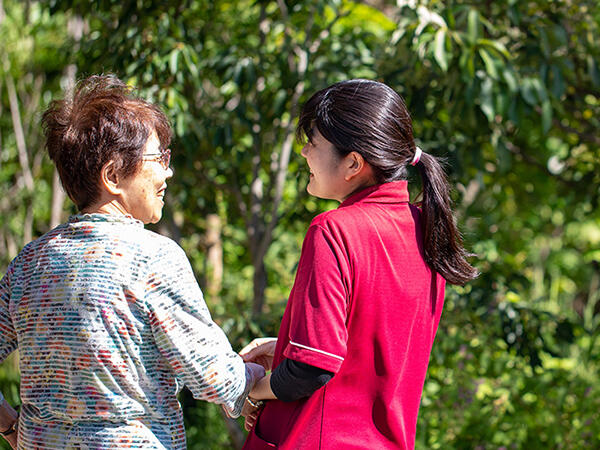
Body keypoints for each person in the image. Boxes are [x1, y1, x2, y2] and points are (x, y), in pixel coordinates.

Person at [0, 74, 264, 449]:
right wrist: (261, 372)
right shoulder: (152, 257)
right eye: (159, 159)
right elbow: (215, 378)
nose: (167, 171)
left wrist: (12, 427)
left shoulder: (29, 263)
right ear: (112, 176)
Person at [240, 79, 478, 449]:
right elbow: (369, 349)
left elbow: (311, 369)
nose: (304, 154)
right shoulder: (425, 228)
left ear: (353, 163)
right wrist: (289, 343)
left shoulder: (334, 229)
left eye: (313, 143)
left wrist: (252, 390)